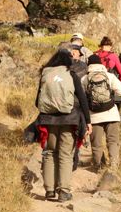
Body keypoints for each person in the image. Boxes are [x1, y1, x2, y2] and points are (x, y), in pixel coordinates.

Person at [34, 49, 92, 202]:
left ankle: (50, 190)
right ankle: (64, 191)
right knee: (66, 155)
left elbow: (37, 102)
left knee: (49, 153)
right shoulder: (71, 75)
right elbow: (83, 100)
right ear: (67, 60)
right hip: (69, 120)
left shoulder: (45, 74)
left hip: (48, 120)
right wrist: (88, 121)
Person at [81, 54, 121, 171]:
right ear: (100, 63)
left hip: (94, 116)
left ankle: (98, 167)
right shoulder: (109, 76)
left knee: (96, 144)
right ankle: (114, 166)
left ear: (88, 65)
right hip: (111, 113)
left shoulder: (84, 79)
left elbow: (81, 98)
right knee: (113, 141)